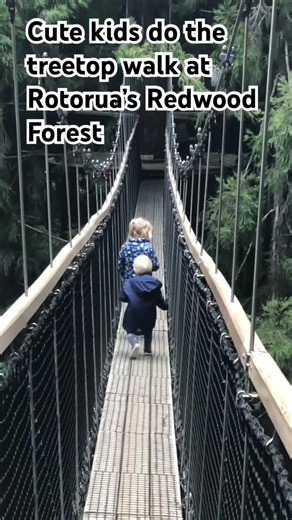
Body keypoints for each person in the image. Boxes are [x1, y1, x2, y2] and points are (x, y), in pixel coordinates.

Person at [119, 255, 168, 359]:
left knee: (130, 330)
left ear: (135, 269)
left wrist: (130, 298)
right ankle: (147, 349)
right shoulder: (154, 285)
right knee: (148, 330)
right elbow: (160, 301)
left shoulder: (129, 283)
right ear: (150, 269)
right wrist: (166, 306)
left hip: (132, 312)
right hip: (149, 313)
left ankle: (134, 343)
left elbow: (122, 297)